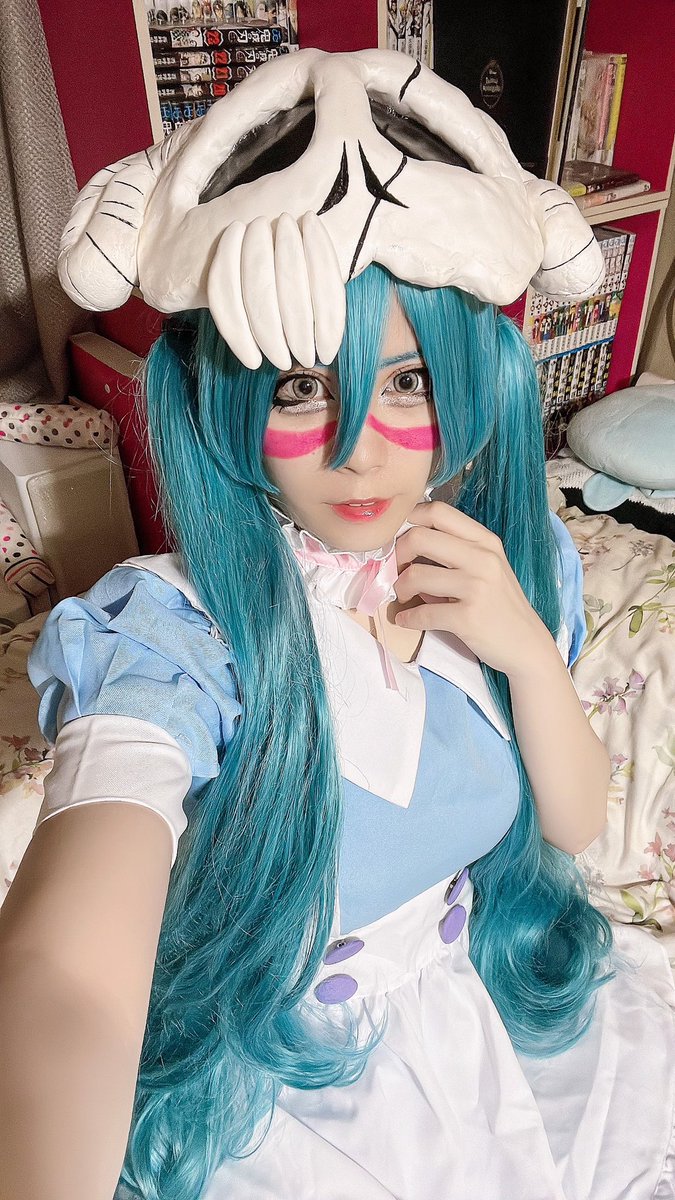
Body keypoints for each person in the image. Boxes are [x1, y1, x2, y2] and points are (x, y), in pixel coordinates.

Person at [0, 47, 673, 1200]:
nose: (360, 452)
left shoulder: (507, 567)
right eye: (301, 388)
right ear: (226, 396)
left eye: (408, 383)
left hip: (485, 1007)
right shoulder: (176, 634)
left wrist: (523, 648)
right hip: (283, 1081)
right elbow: (69, 976)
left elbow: (567, 824)